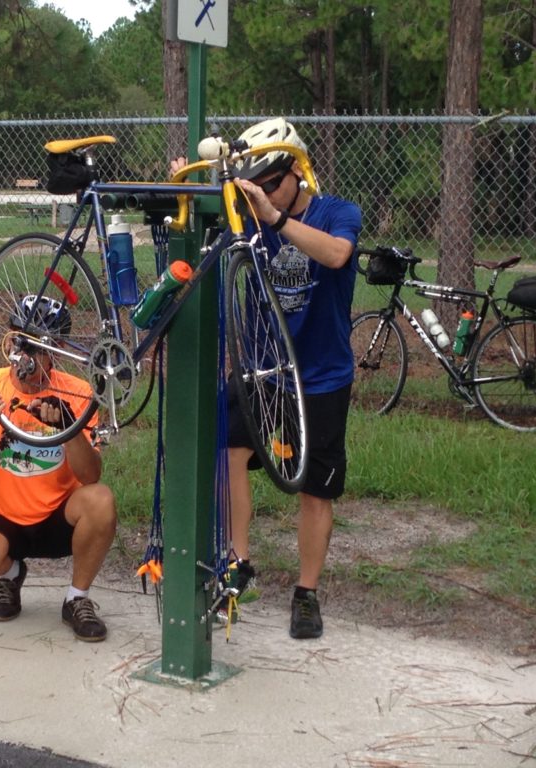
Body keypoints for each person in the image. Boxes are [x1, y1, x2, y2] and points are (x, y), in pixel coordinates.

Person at [174, 118, 362, 639]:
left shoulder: (336, 213)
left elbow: (337, 254)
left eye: (273, 182)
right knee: (227, 450)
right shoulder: (248, 219)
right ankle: (239, 561)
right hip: (262, 371)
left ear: (296, 172)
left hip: (320, 377)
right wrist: (186, 189)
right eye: (258, 186)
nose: (265, 194)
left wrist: (274, 217)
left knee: (314, 491)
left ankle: (306, 593)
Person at [0, 295, 117, 642]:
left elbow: (90, 476)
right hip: (1, 515)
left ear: (56, 351)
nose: (29, 358)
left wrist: (68, 429)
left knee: (101, 500)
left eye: (42, 348)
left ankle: (77, 598)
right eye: (23, 344)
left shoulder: (78, 392)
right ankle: (10, 574)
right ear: (10, 343)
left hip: (58, 515)